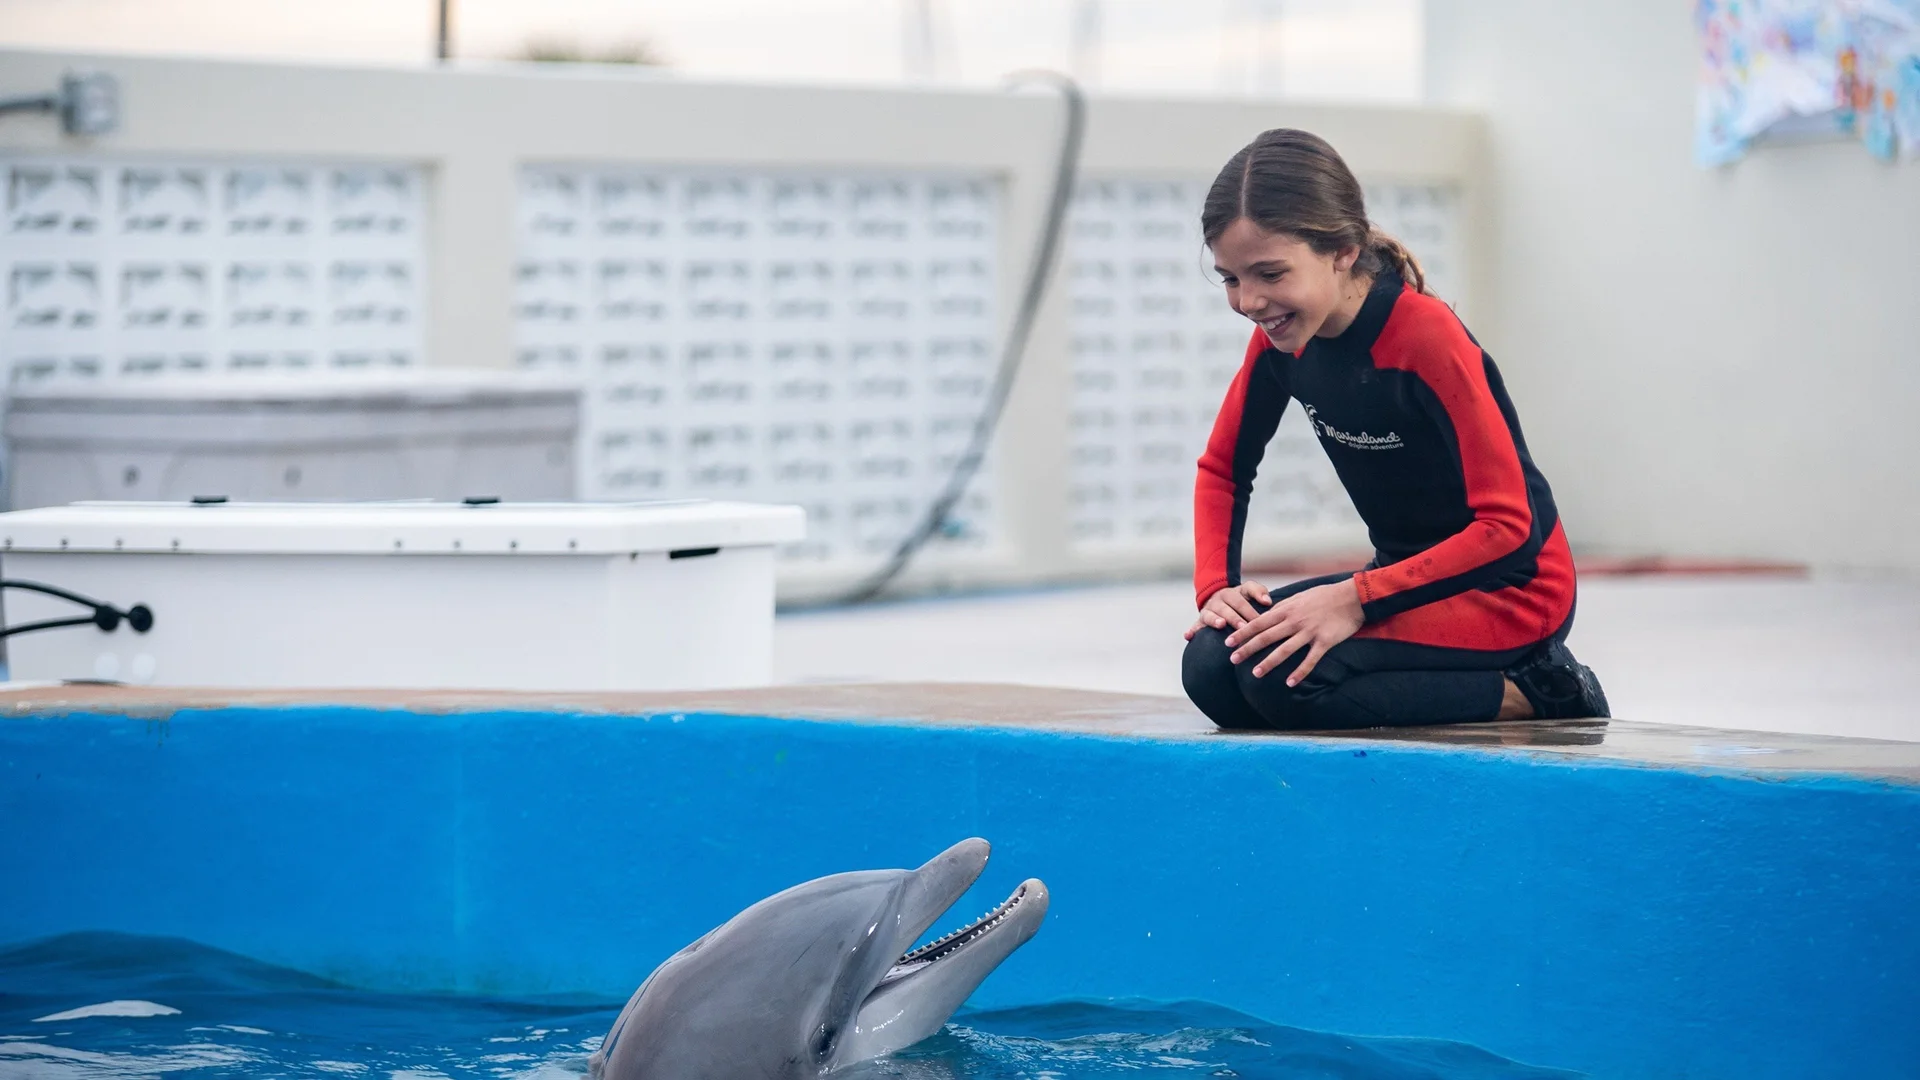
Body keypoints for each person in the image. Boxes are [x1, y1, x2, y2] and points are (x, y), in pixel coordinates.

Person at [1180, 128, 1610, 731]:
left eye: (1270, 274)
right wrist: (1216, 591)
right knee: (1211, 663)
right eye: (1230, 279)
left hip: (1510, 591)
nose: (1249, 301)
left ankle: (1541, 691)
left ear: (1342, 251)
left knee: (1280, 678)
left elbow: (1508, 529)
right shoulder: (1281, 342)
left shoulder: (1425, 338)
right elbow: (1223, 470)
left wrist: (1355, 599)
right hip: (1403, 579)